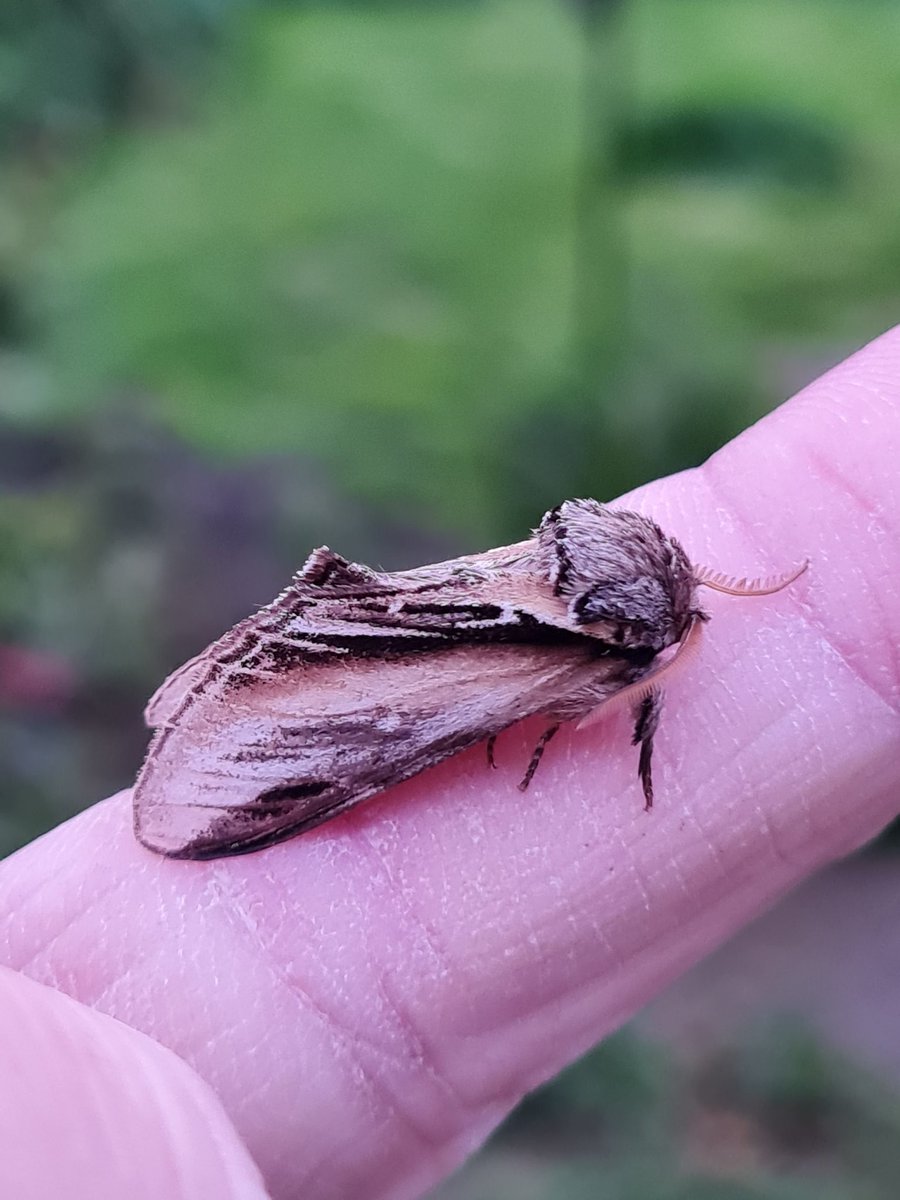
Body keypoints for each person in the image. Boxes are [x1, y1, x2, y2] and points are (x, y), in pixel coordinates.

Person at [0, 328, 897, 1200]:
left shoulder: (599, 602)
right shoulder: (593, 645)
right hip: (343, 721)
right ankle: (257, 708)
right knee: (378, 710)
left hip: (436, 628)